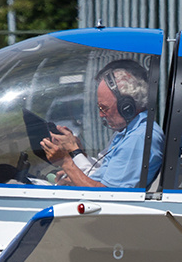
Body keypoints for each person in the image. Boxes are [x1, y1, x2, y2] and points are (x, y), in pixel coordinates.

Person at [41, 60, 163, 188]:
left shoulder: (139, 137)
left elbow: (106, 195)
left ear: (126, 107)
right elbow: (100, 177)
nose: (101, 115)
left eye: (104, 108)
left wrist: (66, 162)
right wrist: (74, 174)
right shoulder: (129, 131)